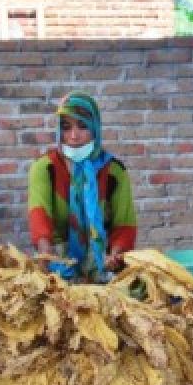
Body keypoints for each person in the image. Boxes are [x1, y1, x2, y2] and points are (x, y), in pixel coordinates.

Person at [27, 92, 136, 282]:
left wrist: (115, 256)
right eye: (66, 127)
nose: (74, 136)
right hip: (58, 259)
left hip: (103, 258)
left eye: (83, 126)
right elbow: (39, 215)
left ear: (96, 128)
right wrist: (46, 255)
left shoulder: (114, 172)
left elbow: (124, 224)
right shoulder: (45, 168)